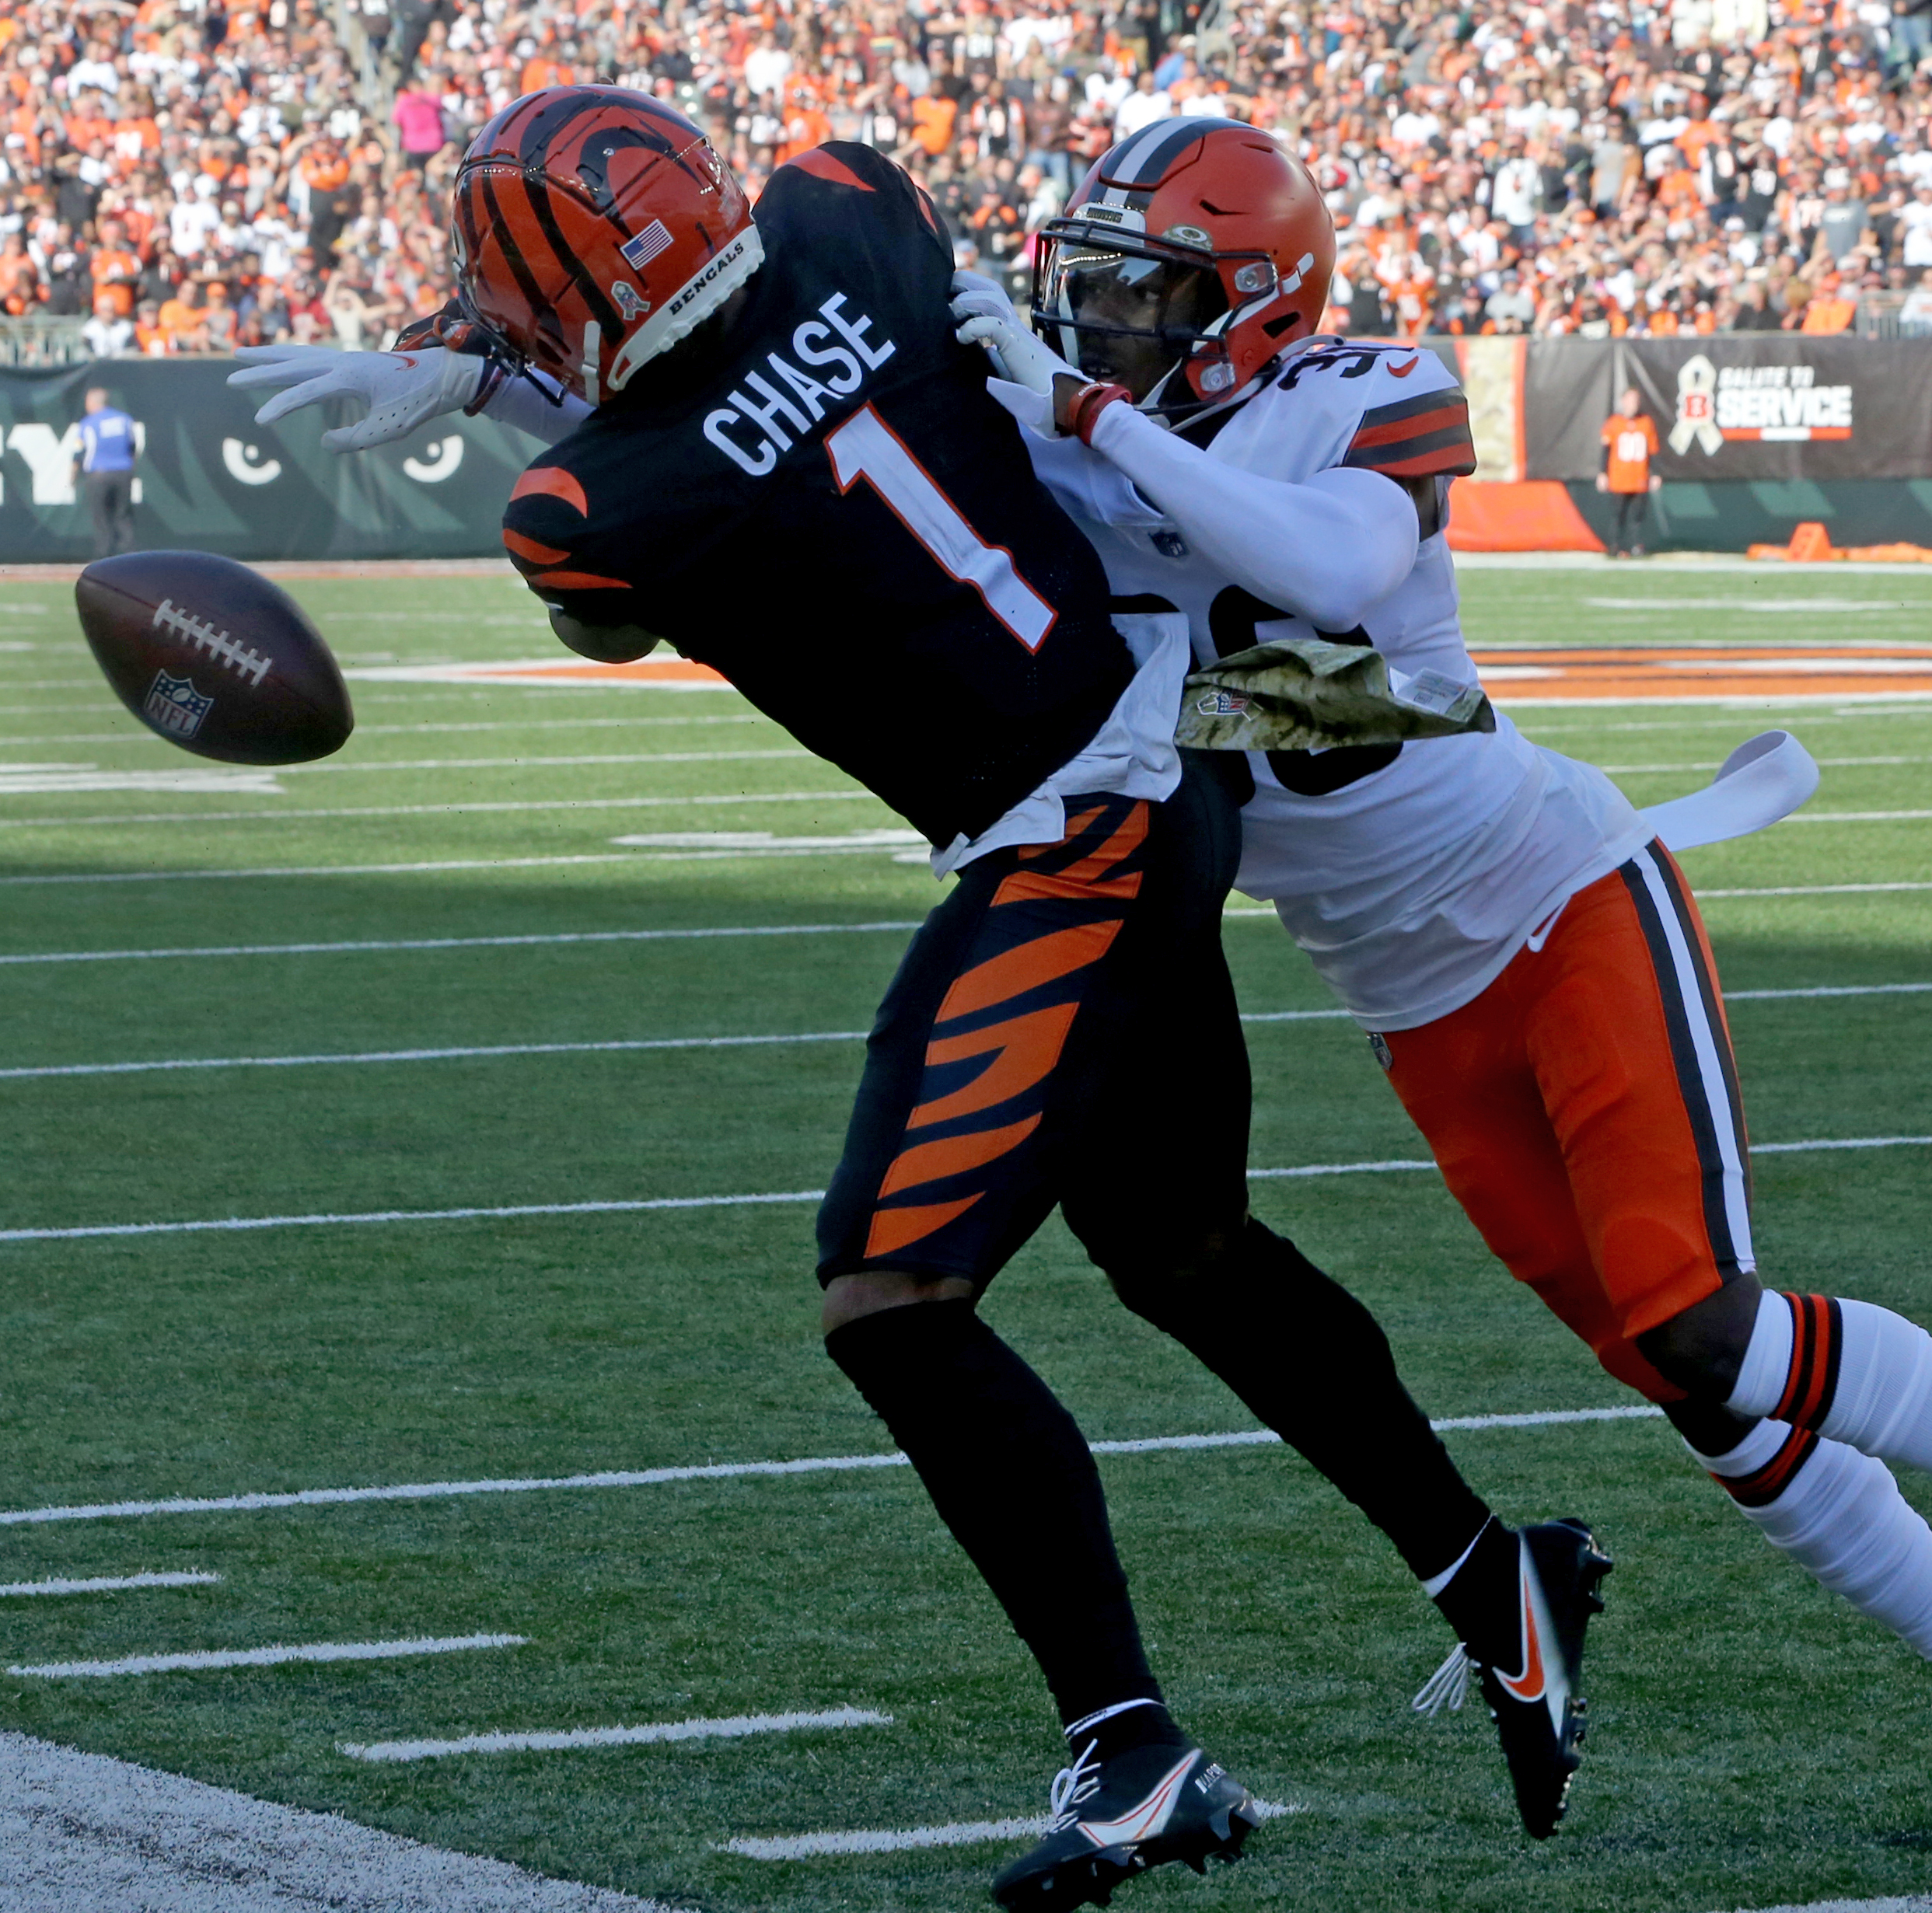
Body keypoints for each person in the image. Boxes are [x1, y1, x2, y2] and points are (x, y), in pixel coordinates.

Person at [232, 93, 1608, 1909]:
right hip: (1163, 762)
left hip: (1070, 839)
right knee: (1182, 1247)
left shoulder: (587, 510)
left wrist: (492, 382)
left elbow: (636, 563)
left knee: (891, 1288)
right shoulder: (848, 205)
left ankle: (1133, 1748)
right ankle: (1489, 1575)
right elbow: (779, 405)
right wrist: (520, 365)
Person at [959, 117, 1932, 1694]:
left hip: (1556, 900)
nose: (1103, 322)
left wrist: (1101, 433)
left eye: (1146, 291)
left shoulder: (1359, 386)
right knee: (1700, 1397)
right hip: (1408, 1005)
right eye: (1096, 290)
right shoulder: (1070, 429)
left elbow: (1333, 596)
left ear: (1253, 298)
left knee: (1701, 1326)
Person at [1597, 387, 1661, 557]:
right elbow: (1606, 450)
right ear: (1623, 401)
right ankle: (1615, 545)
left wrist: (1655, 473)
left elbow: (1653, 450)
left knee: (1637, 516)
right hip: (1619, 476)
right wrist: (1603, 473)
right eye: (1630, 400)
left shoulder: (1646, 422)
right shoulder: (1614, 422)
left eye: (1636, 401)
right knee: (1618, 514)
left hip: (1639, 476)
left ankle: (1635, 546)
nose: (1634, 405)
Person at [73, 386, 136, 557]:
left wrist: (72, 475)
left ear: (93, 403)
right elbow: (132, 447)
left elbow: (79, 452)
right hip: (123, 472)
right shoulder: (124, 420)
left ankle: (103, 556)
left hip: (99, 474)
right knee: (123, 516)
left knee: (101, 518)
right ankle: (128, 555)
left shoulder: (89, 423)